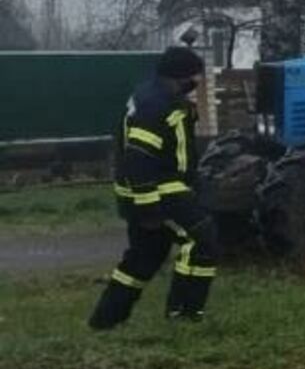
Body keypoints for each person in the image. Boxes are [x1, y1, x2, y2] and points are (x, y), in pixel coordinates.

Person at [87, 46, 220, 329]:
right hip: (158, 188)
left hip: (150, 188)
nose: (196, 83)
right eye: (194, 77)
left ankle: (106, 320)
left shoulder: (156, 96)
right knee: (202, 239)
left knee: (145, 257)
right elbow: (138, 157)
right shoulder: (156, 105)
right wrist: (148, 208)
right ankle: (184, 314)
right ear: (179, 76)